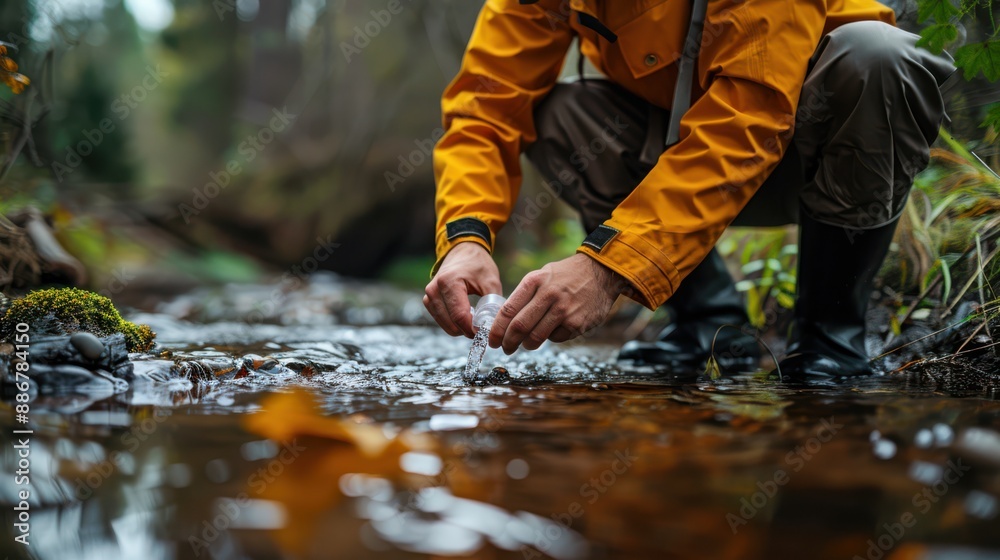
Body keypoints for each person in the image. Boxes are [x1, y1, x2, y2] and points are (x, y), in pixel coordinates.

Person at [422, 0, 957, 377]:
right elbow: (484, 109)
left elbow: (749, 120)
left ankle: (830, 337)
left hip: (817, 154)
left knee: (878, 55)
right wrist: (466, 237)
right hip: (682, 150)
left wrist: (607, 267)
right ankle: (710, 324)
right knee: (560, 114)